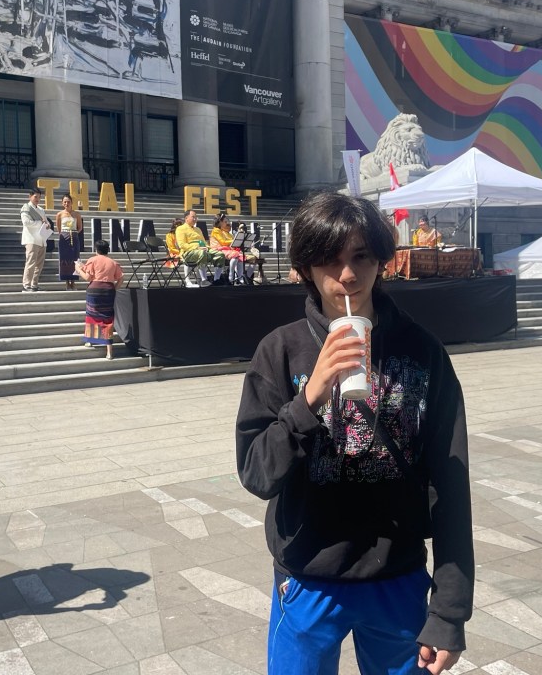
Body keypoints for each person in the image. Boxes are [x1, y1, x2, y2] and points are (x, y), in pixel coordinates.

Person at [236, 192, 474, 675]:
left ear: (382, 261)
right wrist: (309, 398)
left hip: (397, 576)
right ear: (305, 268)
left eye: (361, 256)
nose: (347, 275)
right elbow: (257, 474)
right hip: (307, 578)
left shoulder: (423, 351)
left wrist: (449, 612)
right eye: (329, 259)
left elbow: (450, 484)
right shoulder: (279, 351)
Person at [76, 240, 124, 359]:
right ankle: (109, 352)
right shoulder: (113, 262)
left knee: (91, 314)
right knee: (107, 318)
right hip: (108, 290)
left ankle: (90, 340)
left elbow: (88, 278)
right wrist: (114, 289)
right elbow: (121, 278)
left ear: (96, 250)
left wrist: (79, 269)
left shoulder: (92, 260)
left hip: (94, 289)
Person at [175, 210, 225, 286]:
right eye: (193, 217)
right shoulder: (180, 229)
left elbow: (204, 242)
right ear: (186, 218)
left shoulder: (198, 229)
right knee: (202, 253)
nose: (195, 219)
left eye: (196, 217)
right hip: (188, 253)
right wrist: (197, 247)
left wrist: (207, 248)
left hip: (202, 250)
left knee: (220, 254)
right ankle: (204, 280)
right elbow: (182, 245)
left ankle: (216, 279)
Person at [20, 189, 52, 291]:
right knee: (31, 263)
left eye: (39, 197)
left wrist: (47, 225)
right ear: (30, 196)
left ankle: (34, 284)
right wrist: (40, 223)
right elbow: (26, 222)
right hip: (31, 239)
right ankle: (26, 284)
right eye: (35, 197)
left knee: (39, 264)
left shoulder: (41, 210)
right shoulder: (26, 208)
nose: (37, 199)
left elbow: (45, 222)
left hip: (42, 239)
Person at [55, 195, 84, 290]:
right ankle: (67, 282)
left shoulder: (77, 214)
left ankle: (73, 281)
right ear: (62, 203)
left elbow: (80, 227)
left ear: (72, 203)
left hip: (74, 237)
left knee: (74, 258)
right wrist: (64, 234)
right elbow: (59, 227)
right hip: (64, 238)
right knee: (64, 259)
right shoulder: (59, 214)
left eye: (68, 202)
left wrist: (74, 233)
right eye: (65, 202)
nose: (66, 204)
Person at [210, 212, 248, 285]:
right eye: (225, 222)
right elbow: (223, 242)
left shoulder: (222, 231)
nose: (226, 223)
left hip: (225, 249)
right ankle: (231, 276)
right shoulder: (216, 230)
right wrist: (234, 240)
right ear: (220, 222)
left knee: (240, 256)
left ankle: (240, 278)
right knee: (235, 254)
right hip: (218, 249)